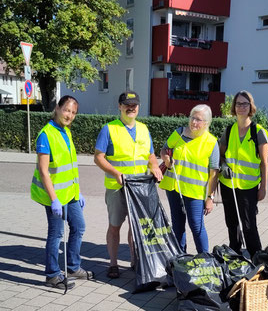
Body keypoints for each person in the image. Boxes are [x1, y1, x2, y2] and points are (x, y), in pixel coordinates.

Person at [94, 91, 163, 279]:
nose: (131, 108)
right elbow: (98, 158)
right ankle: (113, 263)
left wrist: (155, 166)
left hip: (139, 188)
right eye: (127, 105)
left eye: (134, 105)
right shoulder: (109, 129)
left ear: (138, 107)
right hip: (117, 187)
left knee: (136, 227)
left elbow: (150, 155)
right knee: (115, 226)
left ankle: (135, 261)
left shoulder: (143, 129)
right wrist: (116, 173)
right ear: (120, 106)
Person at [31, 95, 93, 289]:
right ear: (57, 108)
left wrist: (78, 191)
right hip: (54, 196)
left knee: (79, 226)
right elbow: (43, 171)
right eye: (67, 110)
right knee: (56, 234)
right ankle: (52, 275)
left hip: (71, 193)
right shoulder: (46, 134)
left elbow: (70, 167)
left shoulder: (66, 132)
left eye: (73, 112)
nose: (69, 115)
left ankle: (73, 267)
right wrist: (54, 200)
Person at [160, 104, 219, 253]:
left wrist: (210, 198)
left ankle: (205, 258)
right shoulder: (179, 133)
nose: (194, 122)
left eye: (199, 120)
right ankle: (180, 257)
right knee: (177, 225)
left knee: (196, 226)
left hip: (195, 192)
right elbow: (164, 149)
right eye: (193, 118)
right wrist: (166, 158)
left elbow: (214, 173)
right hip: (174, 188)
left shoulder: (211, 142)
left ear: (207, 123)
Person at [219, 90, 268, 257]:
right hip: (228, 185)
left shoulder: (258, 131)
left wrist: (263, 188)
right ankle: (235, 255)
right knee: (232, 224)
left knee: (248, 226)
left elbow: (264, 163)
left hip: (249, 187)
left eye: (245, 103)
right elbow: (220, 155)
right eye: (238, 103)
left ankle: (258, 259)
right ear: (234, 107)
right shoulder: (228, 130)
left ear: (251, 106)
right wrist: (223, 164)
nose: (241, 107)